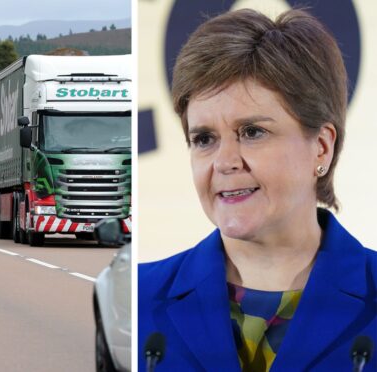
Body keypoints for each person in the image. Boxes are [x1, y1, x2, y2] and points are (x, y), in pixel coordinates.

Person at [138, 8, 377, 371]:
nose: (224, 161)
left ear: (321, 147)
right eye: (204, 139)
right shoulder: (140, 297)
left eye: (252, 132)